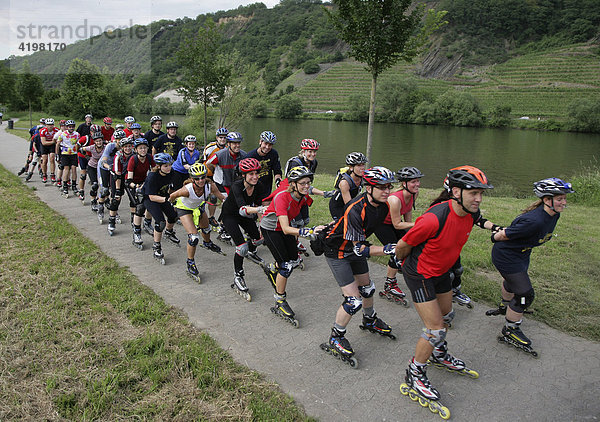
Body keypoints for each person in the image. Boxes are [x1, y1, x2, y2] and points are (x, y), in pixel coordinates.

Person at [394, 166, 492, 412]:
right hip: (420, 275)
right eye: (474, 193)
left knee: (447, 317)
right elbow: (403, 245)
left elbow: (479, 220)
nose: (479, 198)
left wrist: (497, 229)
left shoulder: (471, 212)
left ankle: (438, 354)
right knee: (435, 329)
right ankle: (414, 374)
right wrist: (406, 265)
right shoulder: (434, 217)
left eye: (481, 193)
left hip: (441, 271)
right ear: (456, 191)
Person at [320, 167, 399, 367]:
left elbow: (373, 235)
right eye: (381, 187)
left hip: (355, 248)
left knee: (368, 289)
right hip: (337, 251)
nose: (387, 191)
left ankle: (370, 320)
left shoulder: (383, 206)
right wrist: (389, 249)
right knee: (353, 301)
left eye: (389, 187)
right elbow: (362, 249)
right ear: (368, 188)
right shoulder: (355, 209)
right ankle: (336, 337)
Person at [490, 177, 574, 356]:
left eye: (564, 198)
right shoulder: (534, 221)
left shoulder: (553, 214)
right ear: (546, 199)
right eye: (560, 199)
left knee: (514, 283)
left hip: (521, 253)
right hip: (506, 256)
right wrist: (494, 235)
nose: (564, 202)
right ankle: (510, 330)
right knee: (525, 294)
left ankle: (506, 306)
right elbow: (504, 235)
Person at [260, 166, 322, 326]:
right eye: (303, 183)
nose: (307, 186)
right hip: (271, 229)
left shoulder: (303, 196)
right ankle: (279, 301)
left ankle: (271, 268)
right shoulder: (282, 197)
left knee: (294, 260)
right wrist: (307, 232)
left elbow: (293, 220)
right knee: (286, 266)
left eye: (308, 182)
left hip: (285, 228)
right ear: (293, 184)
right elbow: (286, 228)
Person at [374, 166, 424, 306]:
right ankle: (389, 285)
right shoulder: (395, 199)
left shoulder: (414, 194)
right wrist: (419, 224)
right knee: (397, 250)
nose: (417, 184)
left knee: (411, 245)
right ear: (404, 183)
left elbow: (407, 218)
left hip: (397, 223)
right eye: (413, 181)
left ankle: (407, 269)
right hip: (382, 224)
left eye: (418, 181)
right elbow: (397, 224)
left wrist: (413, 233)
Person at [220, 158, 268, 301]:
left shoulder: (258, 185)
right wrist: (260, 209)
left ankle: (251, 251)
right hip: (230, 215)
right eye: (250, 174)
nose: (255, 177)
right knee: (241, 247)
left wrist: (262, 222)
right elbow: (242, 209)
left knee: (259, 239)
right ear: (243, 175)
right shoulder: (237, 186)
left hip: (246, 214)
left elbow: (260, 206)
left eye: (256, 173)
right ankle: (238, 276)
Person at [169, 162, 225, 282]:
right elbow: (172, 195)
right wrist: (171, 204)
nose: (200, 181)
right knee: (194, 237)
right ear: (192, 179)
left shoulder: (210, 186)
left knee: (206, 229)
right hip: (184, 209)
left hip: (197, 207)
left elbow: (222, 198)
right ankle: (190, 262)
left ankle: (207, 242)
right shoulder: (186, 190)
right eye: (197, 179)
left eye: (203, 177)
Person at [206, 131, 247, 242]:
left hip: (234, 184)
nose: (237, 145)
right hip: (221, 184)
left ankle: (223, 228)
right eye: (234, 143)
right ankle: (224, 230)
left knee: (231, 207)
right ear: (228, 144)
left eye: (238, 143)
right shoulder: (220, 154)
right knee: (228, 205)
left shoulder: (243, 155)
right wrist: (215, 171)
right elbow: (208, 164)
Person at [143, 153, 181, 264]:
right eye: (165, 166)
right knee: (160, 222)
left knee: (173, 216)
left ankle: (169, 232)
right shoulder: (152, 176)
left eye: (170, 165)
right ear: (159, 166)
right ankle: (156, 246)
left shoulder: (172, 173)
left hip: (163, 196)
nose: (168, 168)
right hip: (150, 199)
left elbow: (172, 188)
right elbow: (151, 196)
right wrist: (167, 199)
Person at [126, 138, 155, 249]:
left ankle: (147, 223)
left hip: (144, 183)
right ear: (136, 149)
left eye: (144, 148)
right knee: (140, 207)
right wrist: (138, 187)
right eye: (140, 148)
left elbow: (154, 170)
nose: (143, 150)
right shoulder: (133, 159)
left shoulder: (149, 157)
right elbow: (129, 181)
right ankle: (136, 233)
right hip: (133, 184)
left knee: (151, 203)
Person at [106, 137, 135, 236]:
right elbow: (117, 173)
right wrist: (118, 190)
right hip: (117, 177)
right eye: (125, 147)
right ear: (122, 148)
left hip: (129, 177)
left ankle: (134, 221)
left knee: (134, 200)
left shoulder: (134, 155)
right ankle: (111, 221)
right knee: (116, 199)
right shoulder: (118, 156)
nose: (128, 148)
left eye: (129, 146)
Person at [328, 152, 367, 220]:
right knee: (342, 225)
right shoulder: (344, 183)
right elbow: (349, 205)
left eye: (363, 164)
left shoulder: (362, 178)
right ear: (351, 167)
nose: (362, 168)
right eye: (359, 165)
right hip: (338, 206)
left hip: (351, 200)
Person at [202, 127, 229, 227]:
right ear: (217, 137)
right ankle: (202, 216)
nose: (222, 139)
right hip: (207, 174)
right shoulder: (210, 147)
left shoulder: (227, 148)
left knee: (215, 197)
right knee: (205, 197)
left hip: (219, 176)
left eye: (224, 137)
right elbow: (204, 161)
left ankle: (211, 217)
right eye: (220, 137)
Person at [245, 130, 282, 195]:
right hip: (253, 185)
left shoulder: (274, 154)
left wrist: (277, 181)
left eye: (270, 145)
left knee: (266, 204)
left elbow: (277, 171)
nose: (267, 147)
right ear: (260, 142)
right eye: (265, 143)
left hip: (267, 185)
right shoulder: (251, 156)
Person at [81, 131, 106, 212]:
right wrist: (86, 156)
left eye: (100, 141)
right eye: (97, 141)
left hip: (102, 167)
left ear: (102, 141)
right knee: (95, 185)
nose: (99, 142)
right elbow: (81, 149)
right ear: (94, 142)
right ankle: (93, 201)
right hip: (92, 166)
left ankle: (103, 199)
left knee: (104, 186)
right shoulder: (92, 147)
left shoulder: (105, 148)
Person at [56, 120, 80, 197]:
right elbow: (57, 144)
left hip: (73, 153)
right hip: (65, 153)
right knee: (66, 169)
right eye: (69, 127)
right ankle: (65, 186)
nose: (71, 128)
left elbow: (78, 144)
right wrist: (57, 154)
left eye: (73, 126)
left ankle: (74, 185)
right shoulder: (62, 134)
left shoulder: (77, 134)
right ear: (66, 127)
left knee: (73, 169)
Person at [39, 118, 59, 183]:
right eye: (48, 125)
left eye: (51, 125)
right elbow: (44, 142)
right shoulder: (43, 131)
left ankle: (52, 174)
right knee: (44, 160)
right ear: (46, 125)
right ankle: (44, 174)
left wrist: (54, 142)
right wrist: (53, 142)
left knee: (52, 158)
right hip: (44, 146)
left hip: (52, 146)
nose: (50, 126)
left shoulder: (56, 130)